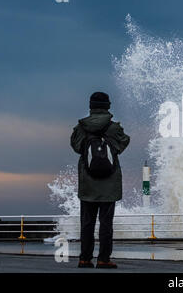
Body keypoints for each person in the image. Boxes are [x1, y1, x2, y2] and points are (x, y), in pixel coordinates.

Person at [70, 92, 130, 269]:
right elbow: (123, 143)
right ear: (108, 106)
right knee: (106, 224)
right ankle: (104, 259)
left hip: (88, 183)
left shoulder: (81, 127)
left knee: (87, 223)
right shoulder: (114, 128)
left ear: (91, 106)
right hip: (109, 184)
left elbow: (76, 146)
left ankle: (84, 258)